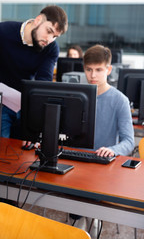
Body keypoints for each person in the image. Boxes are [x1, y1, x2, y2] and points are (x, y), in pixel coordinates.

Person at [0, 5, 68, 139]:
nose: (49, 39)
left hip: (26, 106)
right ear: (38, 20)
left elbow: (44, 81)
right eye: (49, 31)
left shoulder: (51, 48)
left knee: (27, 153)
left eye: (55, 36)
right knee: (1, 149)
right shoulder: (0, 31)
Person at [69, 44, 134, 237]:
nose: (93, 75)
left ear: (108, 69)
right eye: (89, 69)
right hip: (77, 164)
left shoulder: (119, 100)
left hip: (103, 168)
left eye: (98, 70)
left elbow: (129, 141)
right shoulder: (76, 96)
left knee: (90, 217)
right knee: (75, 214)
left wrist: (113, 150)